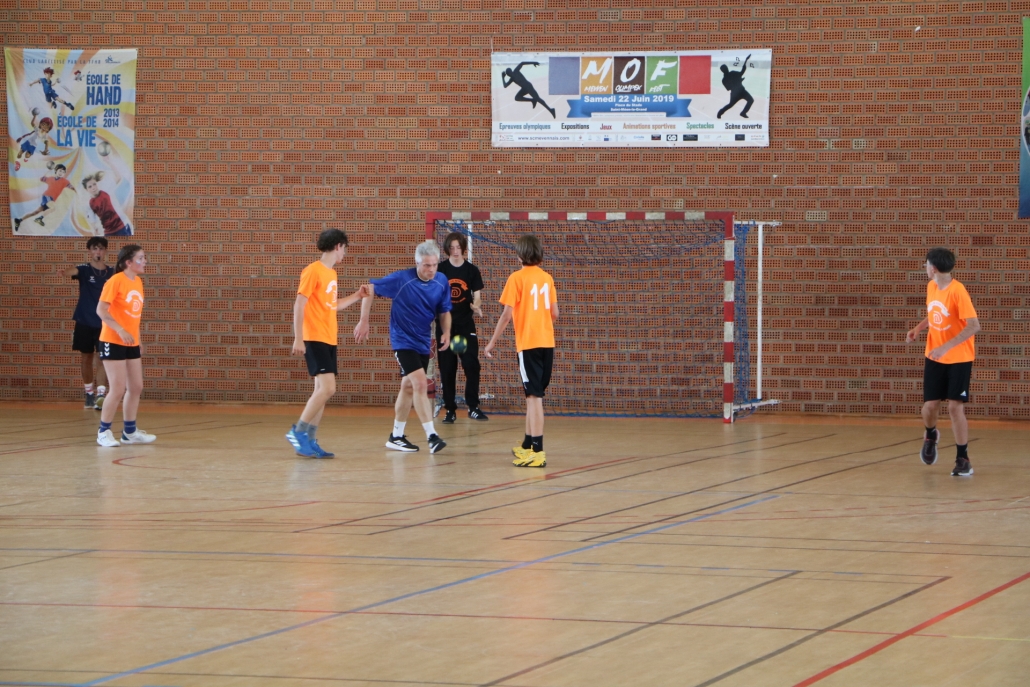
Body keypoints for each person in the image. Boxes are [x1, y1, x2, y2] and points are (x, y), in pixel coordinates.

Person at [355, 240, 452, 454]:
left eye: (435, 265)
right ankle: (432, 436)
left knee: (408, 387)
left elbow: (444, 310)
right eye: (426, 265)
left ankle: (396, 437)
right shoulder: (402, 279)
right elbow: (369, 289)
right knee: (420, 383)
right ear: (417, 263)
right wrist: (364, 320)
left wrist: (446, 332)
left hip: (422, 341)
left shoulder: (441, 281)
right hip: (402, 341)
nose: (431, 269)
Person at [285, 229, 368, 459]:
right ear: (338, 246)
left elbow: (332, 305)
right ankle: (297, 432)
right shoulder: (313, 270)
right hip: (314, 337)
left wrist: (357, 296)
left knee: (320, 391)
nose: (344, 254)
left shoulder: (331, 274)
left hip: (329, 337)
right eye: (345, 249)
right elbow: (299, 304)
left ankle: (310, 440)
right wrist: (298, 337)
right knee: (329, 388)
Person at [484, 234, 559, 468]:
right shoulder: (547, 278)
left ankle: (537, 450)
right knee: (532, 396)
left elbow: (506, 315)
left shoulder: (516, 278)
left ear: (519, 255)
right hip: (547, 343)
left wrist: (492, 342)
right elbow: (555, 313)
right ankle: (527, 444)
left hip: (528, 344)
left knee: (534, 398)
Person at [906, 247, 980, 477]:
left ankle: (963, 459)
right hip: (934, 356)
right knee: (930, 406)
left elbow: (974, 325)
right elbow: (936, 314)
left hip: (959, 358)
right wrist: (918, 328)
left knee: (955, 407)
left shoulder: (958, 291)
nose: (925, 268)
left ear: (934, 268)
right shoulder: (932, 287)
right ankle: (930, 435)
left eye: (926, 264)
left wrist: (946, 347)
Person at [95, 244, 156, 447]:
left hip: (131, 342)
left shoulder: (137, 282)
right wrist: (120, 330)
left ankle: (129, 432)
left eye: (144, 257)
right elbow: (101, 310)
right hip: (112, 340)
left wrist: (138, 339)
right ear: (128, 262)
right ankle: (103, 432)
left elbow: (134, 316)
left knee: (136, 387)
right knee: (117, 388)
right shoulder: (115, 281)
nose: (144, 261)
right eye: (141, 258)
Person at [436, 231, 489, 424]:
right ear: (447, 249)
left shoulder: (471, 270)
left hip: (465, 325)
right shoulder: (441, 270)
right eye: (452, 248)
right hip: (445, 326)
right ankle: (450, 409)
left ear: (463, 249)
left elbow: (477, 296)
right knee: (447, 368)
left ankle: (473, 407)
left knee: (471, 365)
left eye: (458, 247)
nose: (455, 251)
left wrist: (476, 305)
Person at [59, 237, 114, 409]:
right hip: (84, 321)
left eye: (101, 248)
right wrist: (64, 272)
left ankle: (101, 395)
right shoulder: (84, 270)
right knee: (86, 357)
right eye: (95, 248)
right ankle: (89, 393)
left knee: (102, 358)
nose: (98, 252)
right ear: (89, 251)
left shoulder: (112, 273)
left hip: (104, 323)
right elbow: (72, 271)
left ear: (105, 251)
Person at [14, 164, 75, 230]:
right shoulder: (51, 178)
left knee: (36, 212)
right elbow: (42, 178)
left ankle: (19, 220)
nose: (61, 173)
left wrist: (76, 191)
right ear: (56, 171)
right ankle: (39, 219)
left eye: (63, 172)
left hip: (51, 200)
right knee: (53, 208)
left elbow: (71, 187)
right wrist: (48, 170)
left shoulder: (65, 181)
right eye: (60, 171)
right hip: (47, 196)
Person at [82, 172, 132, 237]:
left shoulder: (106, 191)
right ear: (86, 189)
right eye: (90, 187)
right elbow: (92, 219)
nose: (93, 188)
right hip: (108, 231)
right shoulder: (89, 204)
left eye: (94, 184)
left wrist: (111, 165)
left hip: (121, 226)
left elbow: (118, 177)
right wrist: (95, 229)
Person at [716, 54, 754, 119]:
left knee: (732, 104)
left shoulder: (724, 79)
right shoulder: (731, 74)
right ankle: (742, 112)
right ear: (724, 70)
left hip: (737, 92)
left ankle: (742, 112)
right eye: (725, 68)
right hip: (739, 92)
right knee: (749, 100)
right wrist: (739, 81)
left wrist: (746, 60)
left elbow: (728, 88)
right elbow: (742, 72)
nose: (726, 69)